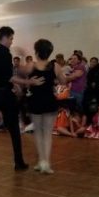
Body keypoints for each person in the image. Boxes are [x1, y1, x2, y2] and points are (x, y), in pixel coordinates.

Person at [0, 26, 43, 172]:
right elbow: (10, 77)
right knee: (14, 129)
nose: (12, 42)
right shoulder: (5, 54)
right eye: (11, 38)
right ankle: (18, 162)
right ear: (5, 37)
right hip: (3, 94)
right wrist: (28, 82)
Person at [25, 39, 66, 174]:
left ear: (36, 51)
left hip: (35, 101)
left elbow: (22, 78)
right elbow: (63, 81)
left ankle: (41, 161)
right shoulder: (55, 67)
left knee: (38, 132)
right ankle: (45, 162)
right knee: (47, 133)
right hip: (49, 100)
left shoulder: (31, 65)